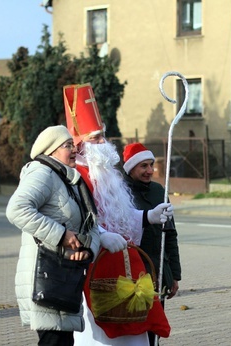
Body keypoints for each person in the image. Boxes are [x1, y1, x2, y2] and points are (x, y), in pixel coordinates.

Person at [63, 83, 173, 346]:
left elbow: (121, 218)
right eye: (95, 138)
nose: (103, 143)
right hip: (95, 269)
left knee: (136, 327)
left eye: (103, 136)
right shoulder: (75, 178)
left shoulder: (108, 174)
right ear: (79, 145)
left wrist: (148, 217)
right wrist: (101, 235)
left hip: (126, 266)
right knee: (101, 335)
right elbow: (74, 221)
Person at [5, 125, 101, 346]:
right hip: (48, 276)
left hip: (65, 276)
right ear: (51, 151)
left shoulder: (69, 179)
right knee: (54, 340)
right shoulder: (43, 173)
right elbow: (17, 209)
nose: (74, 149)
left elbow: (91, 224)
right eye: (67, 145)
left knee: (61, 341)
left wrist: (87, 250)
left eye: (73, 144)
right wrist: (61, 236)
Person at [122, 142, 182, 346]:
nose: (149, 171)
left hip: (158, 271)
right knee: (135, 329)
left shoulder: (158, 190)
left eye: (151, 165)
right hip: (132, 273)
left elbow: (170, 235)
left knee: (154, 329)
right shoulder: (120, 193)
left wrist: (174, 274)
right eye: (143, 166)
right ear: (131, 168)